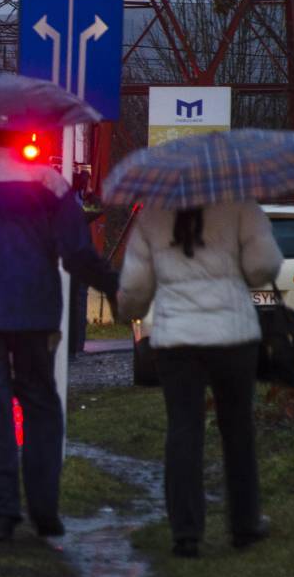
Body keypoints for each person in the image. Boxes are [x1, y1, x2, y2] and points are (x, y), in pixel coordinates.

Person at [0, 128, 119, 541]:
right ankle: (45, 511)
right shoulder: (49, 183)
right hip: (35, 313)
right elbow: (76, 250)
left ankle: (1, 513)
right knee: (41, 407)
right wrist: (113, 287)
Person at [116, 202, 282, 558]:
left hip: (178, 339)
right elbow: (262, 266)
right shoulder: (240, 207)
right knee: (238, 430)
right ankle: (245, 525)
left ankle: (186, 533)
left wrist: (126, 309)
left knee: (183, 430)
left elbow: (134, 288)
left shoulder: (152, 217)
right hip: (233, 336)